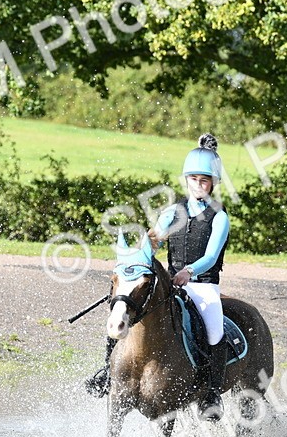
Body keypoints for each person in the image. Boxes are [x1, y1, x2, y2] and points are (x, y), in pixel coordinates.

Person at [85, 133, 231, 419]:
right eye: (194, 180)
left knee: (215, 332)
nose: (198, 186)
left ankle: (211, 393)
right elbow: (155, 237)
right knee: (125, 314)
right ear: (186, 180)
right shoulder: (172, 211)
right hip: (170, 285)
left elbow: (211, 257)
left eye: (204, 181)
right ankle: (106, 372)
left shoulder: (219, 216)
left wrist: (189, 271)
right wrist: (140, 253)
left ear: (213, 183)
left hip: (203, 287)